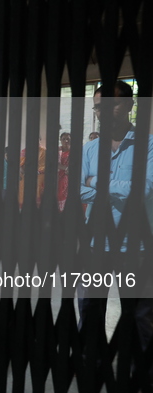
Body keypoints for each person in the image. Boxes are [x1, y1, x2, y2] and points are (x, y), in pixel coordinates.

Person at [79, 81, 153, 359]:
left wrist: (95, 181)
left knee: (139, 314)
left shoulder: (149, 145)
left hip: (137, 246)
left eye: (114, 104)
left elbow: (142, 189)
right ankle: (90, 362)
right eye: (99, 107)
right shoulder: (89, 149)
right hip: (95, 242)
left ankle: (140, 371)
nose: (104, 112)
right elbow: (77, 189)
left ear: (130, 106)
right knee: (89, 309)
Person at [18, 138, 46, 208]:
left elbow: (44, 166)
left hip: (40, 174)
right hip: (26, 174)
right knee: (22, 185)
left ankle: (37, 207)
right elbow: (21, 165)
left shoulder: (44, 151)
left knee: (38, 186)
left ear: (39, 139)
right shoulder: (24, 151)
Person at [57, 132, 71, 211]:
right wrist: (66, 168)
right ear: (60, 140)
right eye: (64, 139)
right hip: (58, 176)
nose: (66, 141)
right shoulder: (57, 150)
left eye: (68, 139)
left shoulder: (75, 151)